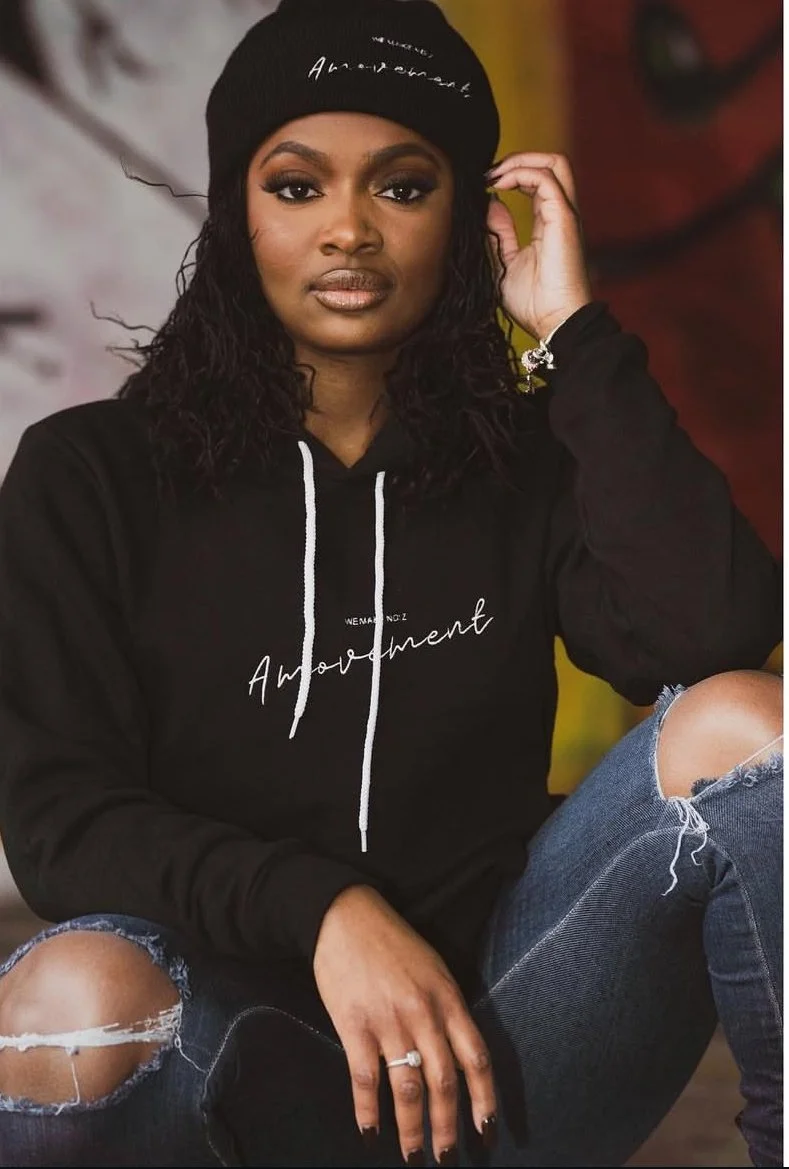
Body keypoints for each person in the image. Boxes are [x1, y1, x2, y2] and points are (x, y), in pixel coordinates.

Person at [0, 1, 782, 1165]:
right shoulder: (90, 474)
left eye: (405, 186)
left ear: (467, 213)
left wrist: (575, 334)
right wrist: (324, 907)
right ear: (236, 212)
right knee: (64, 999)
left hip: (509, 1050)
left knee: (755, 727)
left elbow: (711, 629)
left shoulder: (529, 464)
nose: (350, 231)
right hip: (237, 1061)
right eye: (299, 186)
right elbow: (60, 820)